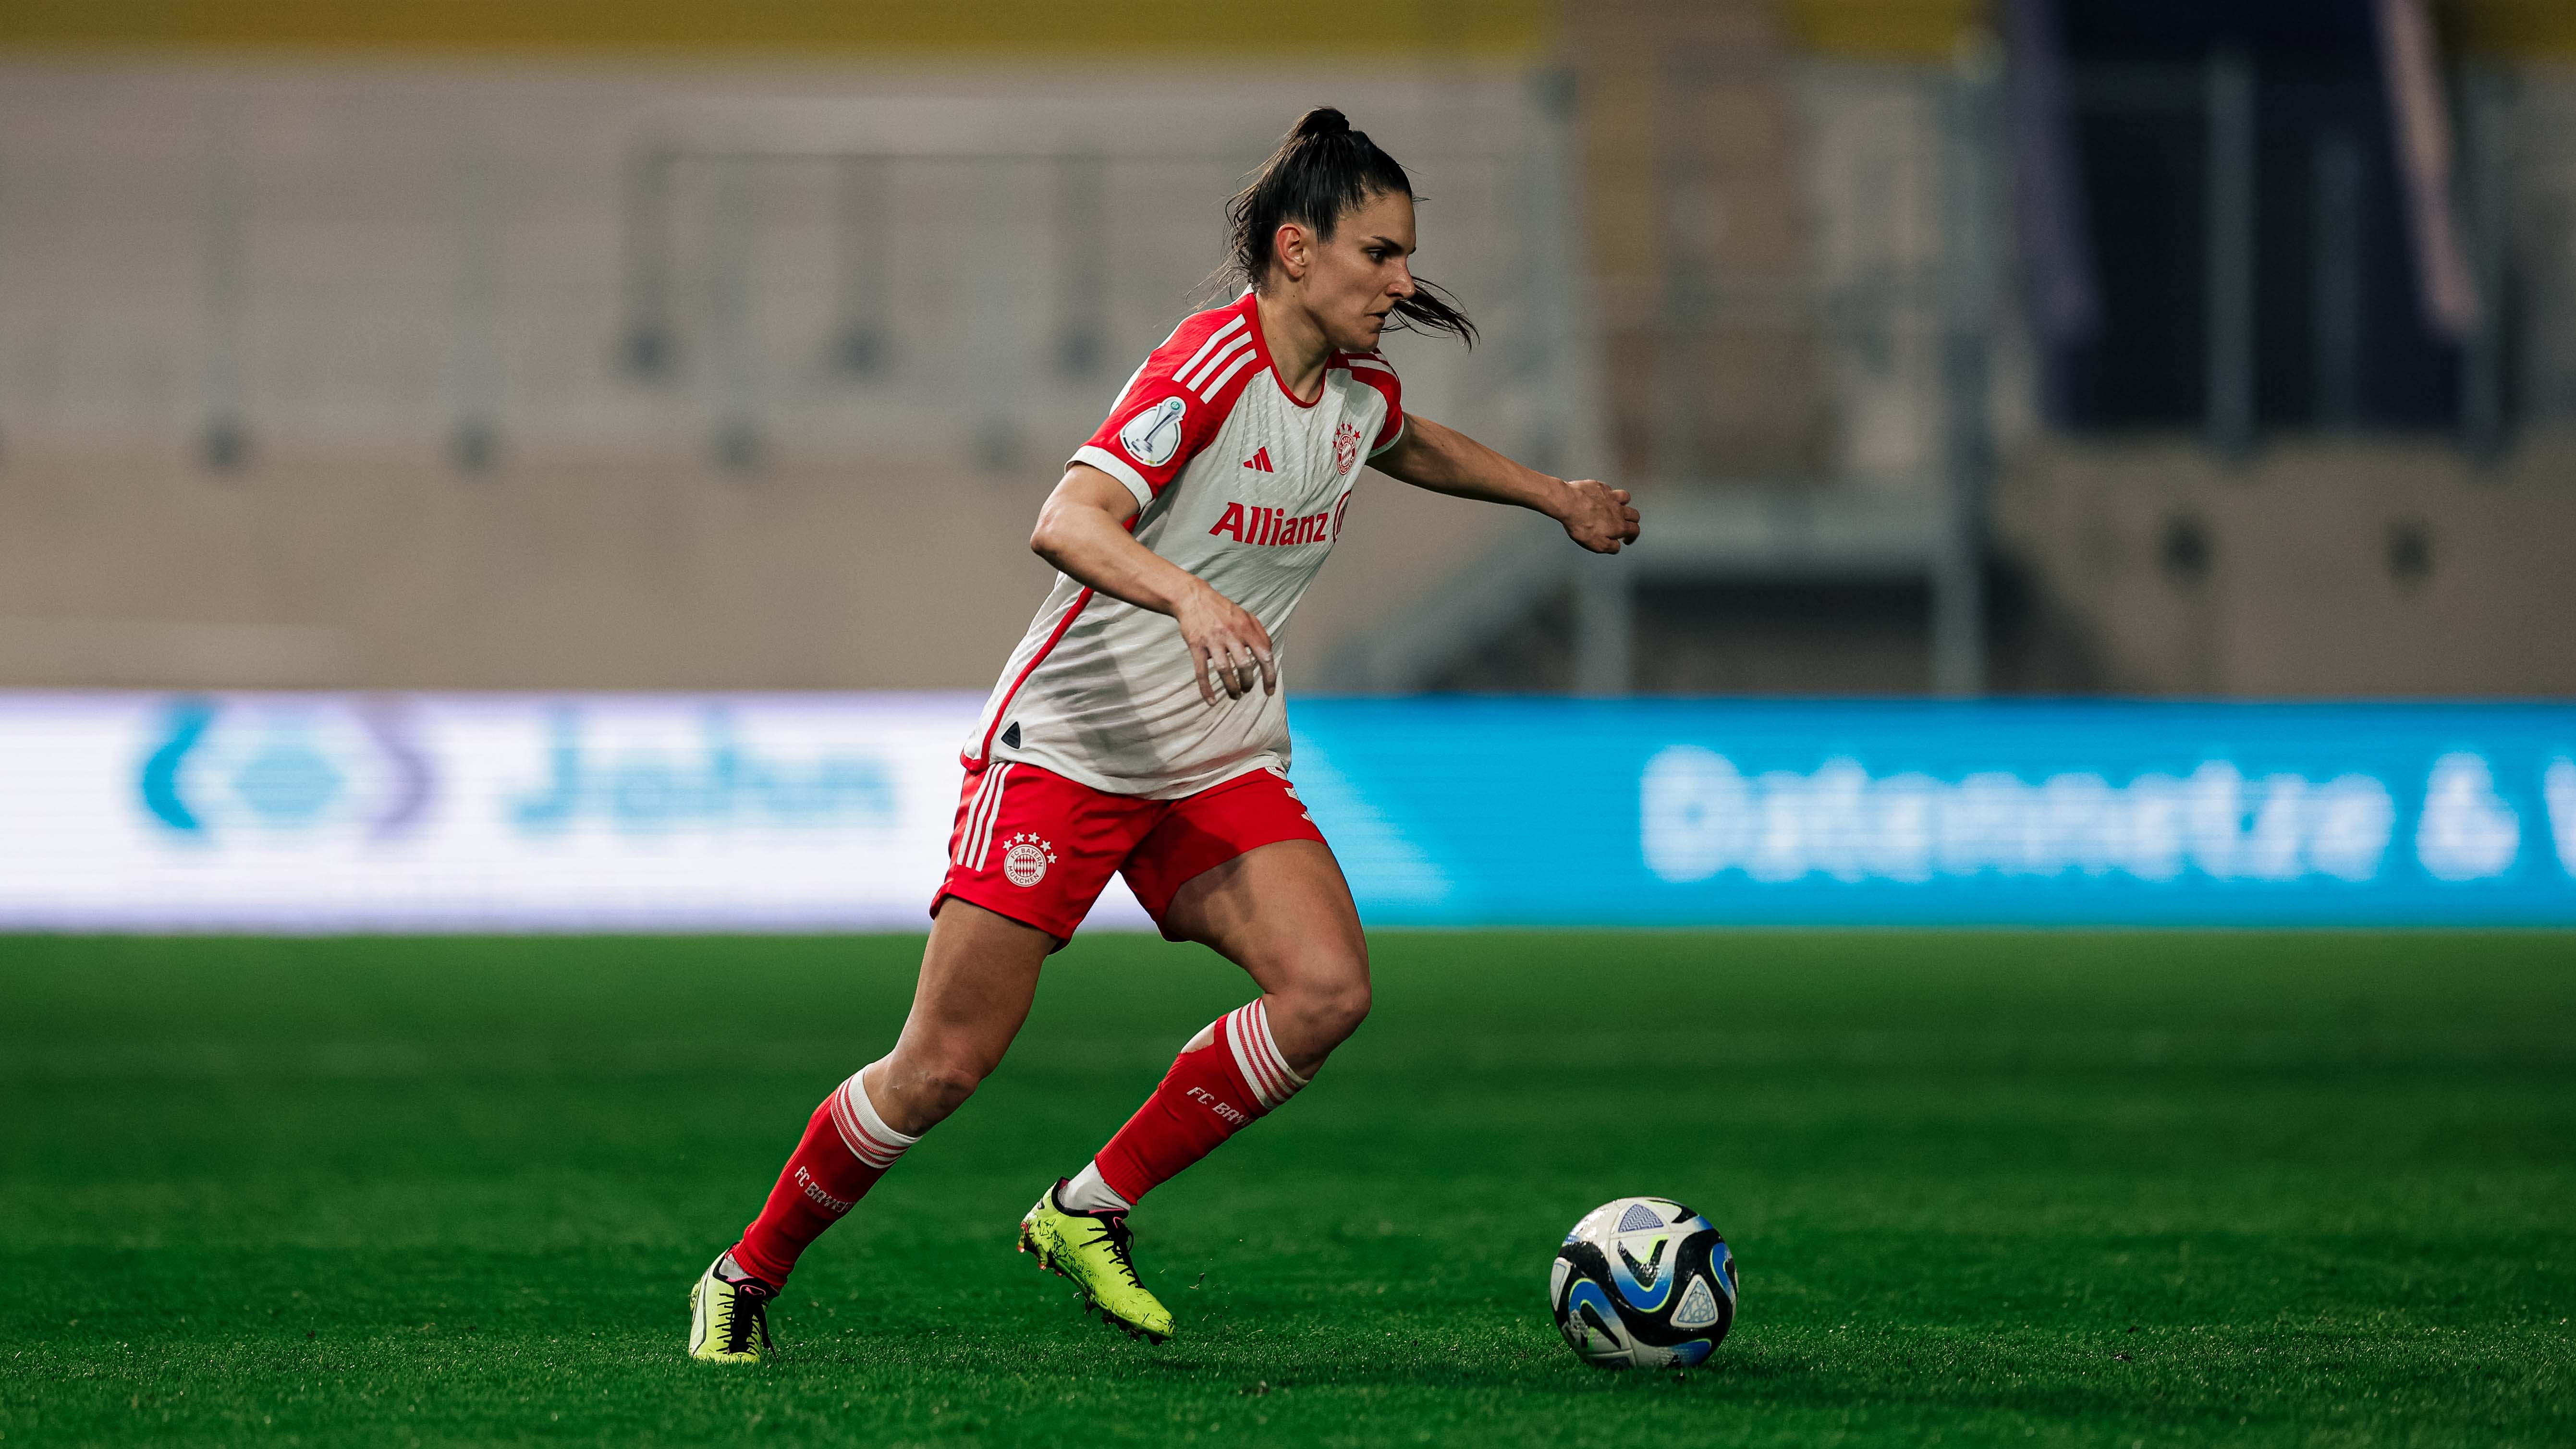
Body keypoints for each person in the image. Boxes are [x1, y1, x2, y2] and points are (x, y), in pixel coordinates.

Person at [688, 106, 1640, 1361]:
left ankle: (1088, 1206)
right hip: (1067, 749)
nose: (1403, 281)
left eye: (1407, 254)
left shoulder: (1357, 395)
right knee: (942, 1066)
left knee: (1325, 990)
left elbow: (1407, 444)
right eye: (1379, 254)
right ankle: (744, 1273)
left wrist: (1549, 495)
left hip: (1210, 757)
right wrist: (1187, 590)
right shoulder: (1207, 364)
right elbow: (1068, 518)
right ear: (1296, 251)